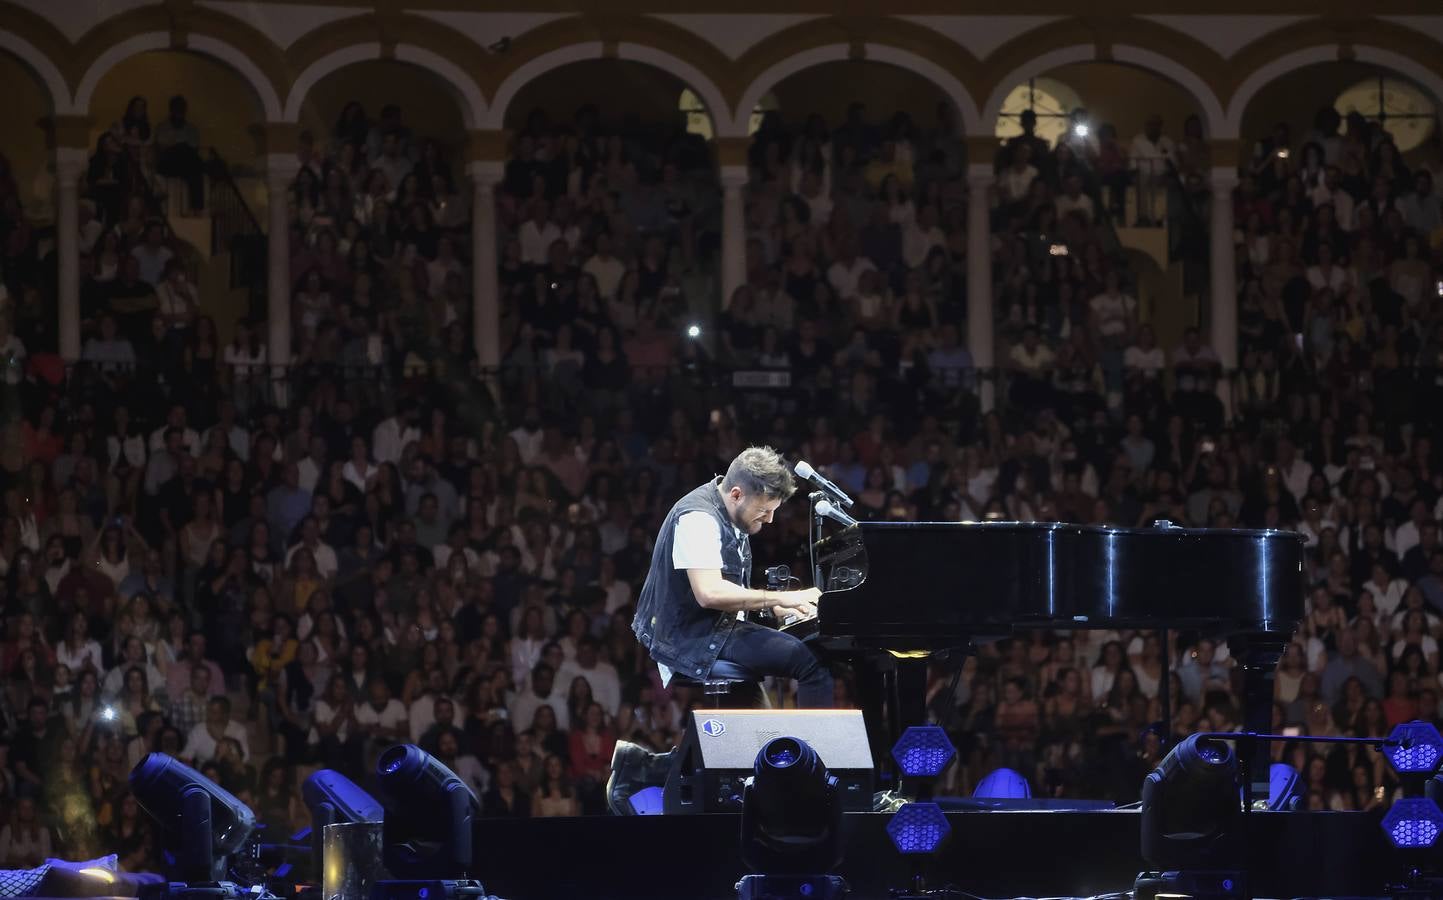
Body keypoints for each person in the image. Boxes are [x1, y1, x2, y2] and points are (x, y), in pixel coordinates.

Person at [632, 446, 830, 707]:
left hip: (713, 628)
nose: (770, 519)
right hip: (690, 637)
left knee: (756, 732)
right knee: (809, 665)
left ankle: (648, 753)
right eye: (764, 510)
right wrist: (782, 598)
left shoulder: (732, 515)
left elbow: (731, 597)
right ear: (737, 494)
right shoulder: (699, 518)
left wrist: (776, 609)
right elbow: (709, 593)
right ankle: (815, 749)